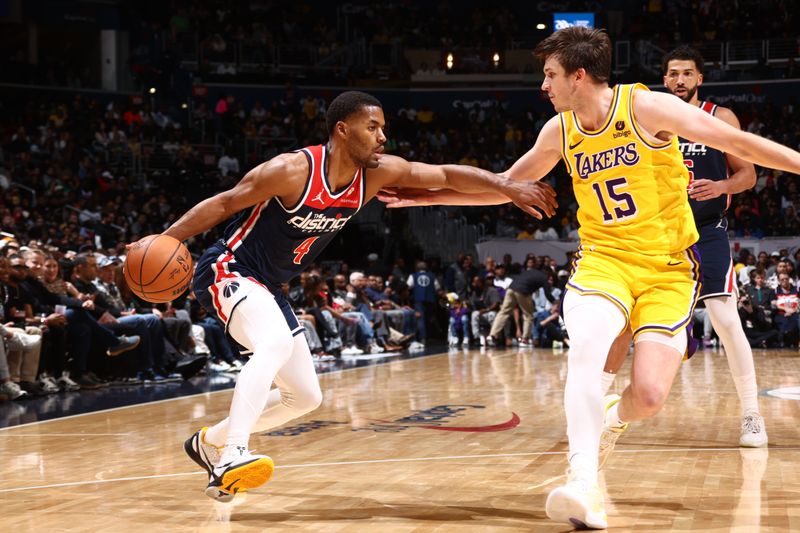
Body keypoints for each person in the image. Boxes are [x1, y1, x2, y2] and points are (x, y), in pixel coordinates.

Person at [379, 27, 800, 529]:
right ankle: (582, 481)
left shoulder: (646, 108)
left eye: (550, 75)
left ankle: (611, 421)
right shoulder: (559, 130)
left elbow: (737, 142)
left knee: (647, 396)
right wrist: (427, 198)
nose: (543, 85)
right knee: (588, 348)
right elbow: (507, 185)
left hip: (667, 269)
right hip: (603, 260)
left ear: (579, 75)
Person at [144, 90, 557, 503]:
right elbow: (224, 203)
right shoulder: (291, 170)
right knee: (270, 345)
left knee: (305, 397)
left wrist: (506, 184)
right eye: (372, 127)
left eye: (384, 129)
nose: (382, 138)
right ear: (343, 130)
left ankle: (208, 441)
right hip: (229, 268)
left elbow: (446, 176)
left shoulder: (375, 173)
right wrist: (165, 239)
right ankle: (233, 453)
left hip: (269, 285)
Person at [601, 46, 768, 448]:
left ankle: (751, 414)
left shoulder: (719, 118)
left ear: (700, 79)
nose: (679, 80)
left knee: (726, 319)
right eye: (673, 73)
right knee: (623, 323)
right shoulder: (648, 116)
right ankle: (593, 405)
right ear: (664, 79)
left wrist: (722, 186)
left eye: (687, 74)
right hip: (655, 234)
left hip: (705, 230)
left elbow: (748, 175)